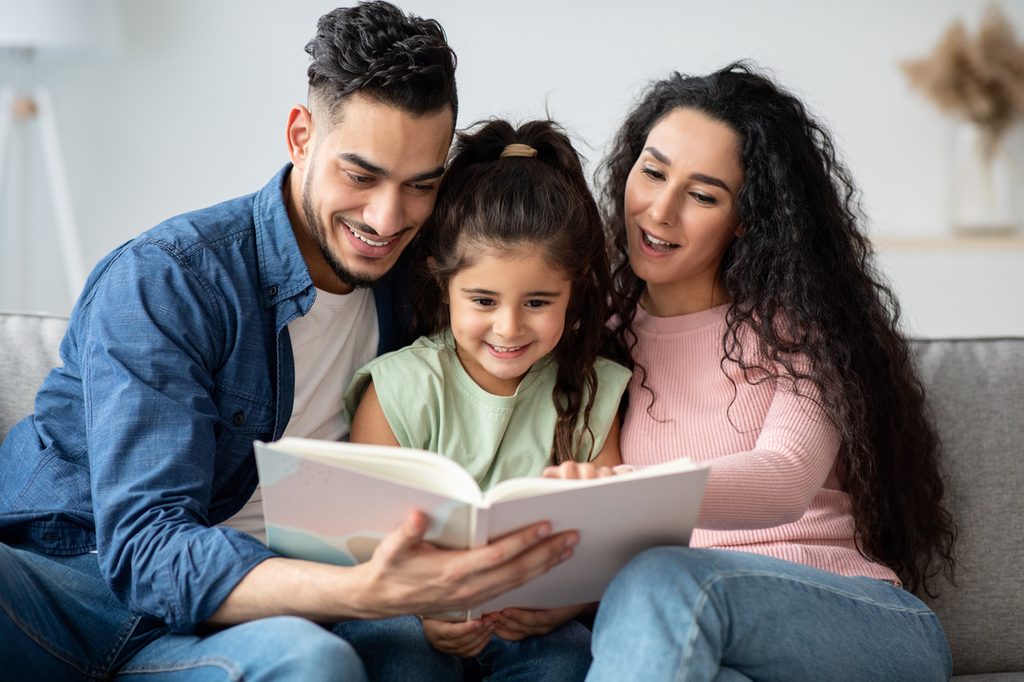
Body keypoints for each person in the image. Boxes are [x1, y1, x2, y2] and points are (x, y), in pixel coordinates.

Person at [0, 4, 580, 680]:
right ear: (301, 136)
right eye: (360, 176)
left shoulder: (423, 283)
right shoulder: (173, 278)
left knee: (326, 660)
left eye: (419, 186)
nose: (387, 218)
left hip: (251, 623)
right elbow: (147, 549)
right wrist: (361, 593)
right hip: (72, 578)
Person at [575, 62, 956, 680]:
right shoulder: (597, 346)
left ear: (746, 218)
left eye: (702, 195)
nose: (660, 211)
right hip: (695, 632)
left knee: (662, 579)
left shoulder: (800, 330)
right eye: (652, 172)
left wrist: (626, 491)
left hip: (859, 624)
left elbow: (784, 479)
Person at [337, 119, 632, 680]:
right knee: (396, 653)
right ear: (441, 280)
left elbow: (608, 541)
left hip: (530, 623)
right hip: (410, 612)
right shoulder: (401, 388)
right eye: (483, 300)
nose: (509, 327)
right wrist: (425, 611)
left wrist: (561, 606)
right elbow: (363, 548)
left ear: (577, 286)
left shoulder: (592, 391)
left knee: (569, 657)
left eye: (539, 302)